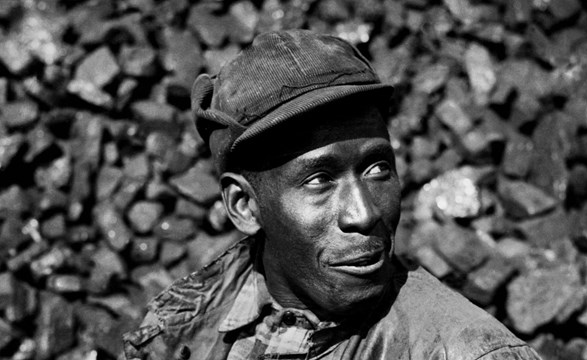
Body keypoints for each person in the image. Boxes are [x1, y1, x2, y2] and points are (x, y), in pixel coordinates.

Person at [123, 29, 541, 360]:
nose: (363, 214)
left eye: (378, 168)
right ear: (244, 206)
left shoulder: (466, 352)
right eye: (319, 179)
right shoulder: (182, 327)